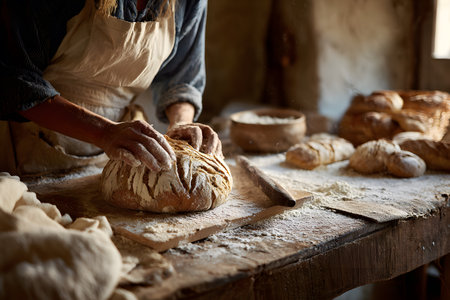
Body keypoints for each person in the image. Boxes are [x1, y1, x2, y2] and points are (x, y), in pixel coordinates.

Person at [0, 0, 222, 176]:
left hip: (120, 157)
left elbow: (182, 78)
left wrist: (182, 123)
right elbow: (14, 80)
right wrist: (103, 132)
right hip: (27, 154)